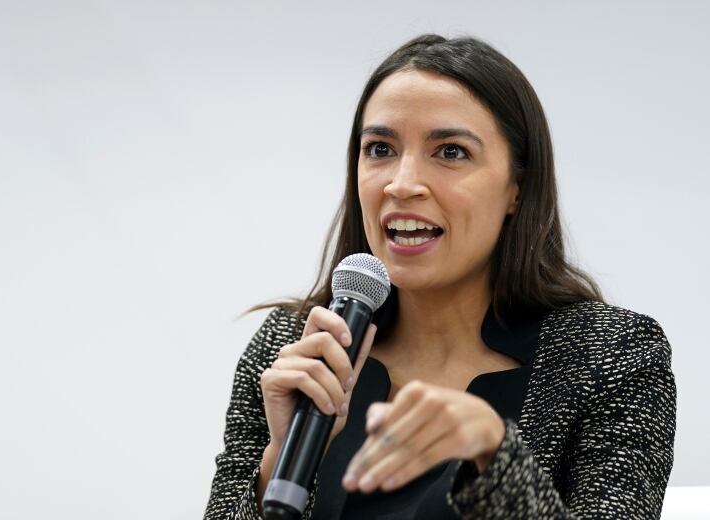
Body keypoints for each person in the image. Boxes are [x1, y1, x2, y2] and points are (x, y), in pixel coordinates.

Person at [203, 34, 676, 519]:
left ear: (518, 187)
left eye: (450, 152)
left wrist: (495, 455)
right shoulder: (295, 346)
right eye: (380, 148)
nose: (402, 183)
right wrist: (276, 468)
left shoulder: (607, 358)